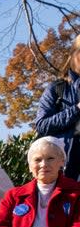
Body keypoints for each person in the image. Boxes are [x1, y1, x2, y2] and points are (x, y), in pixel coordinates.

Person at [34, 35, 80, 180]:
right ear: (74, 55)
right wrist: (77, 109)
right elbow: (42, 125)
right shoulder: (57, 89)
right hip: (65, 173)